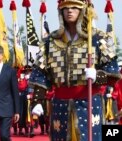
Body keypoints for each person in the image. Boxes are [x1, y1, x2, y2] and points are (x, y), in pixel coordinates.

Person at [28, 0, 120, 141]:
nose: (69, 11)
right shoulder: (50, 41)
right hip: (60, 104)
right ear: (61, 12)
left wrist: (98, 75)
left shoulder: (97, 38)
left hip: (88, 103)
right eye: (66, 8)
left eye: (74, 8)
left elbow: (113, 71)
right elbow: (41, 73)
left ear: (82, 10)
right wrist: (37, 100)